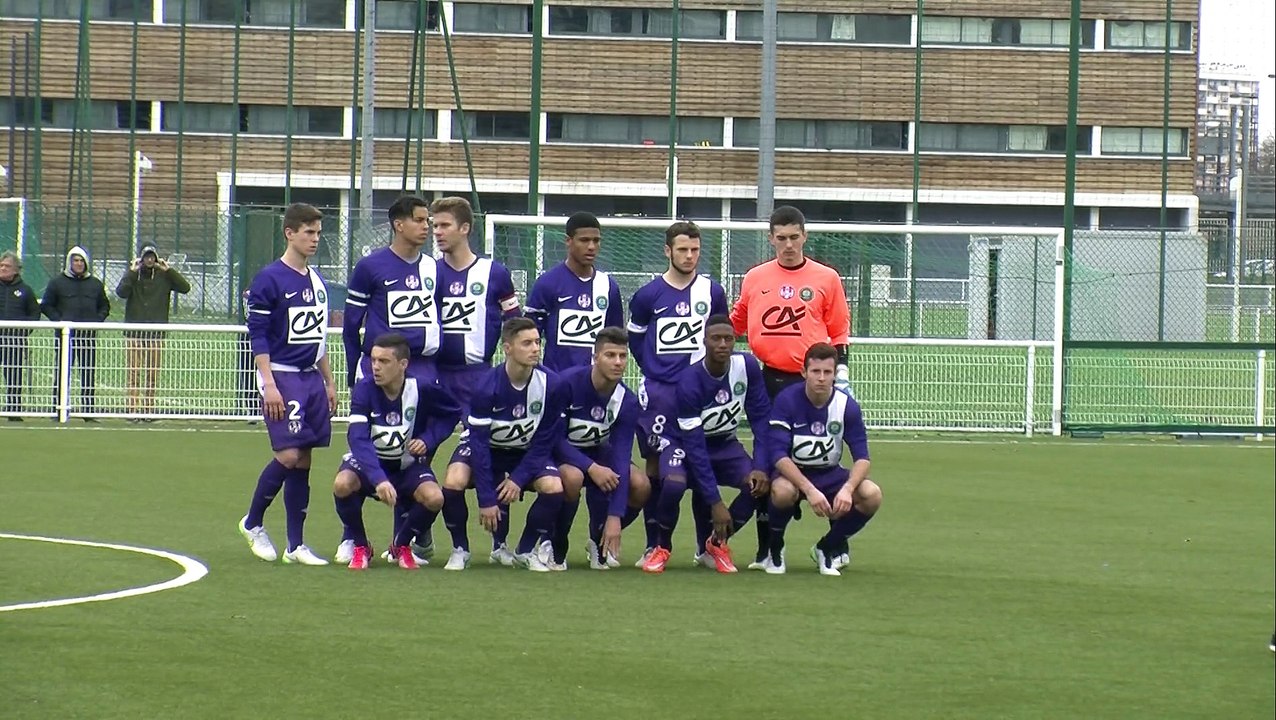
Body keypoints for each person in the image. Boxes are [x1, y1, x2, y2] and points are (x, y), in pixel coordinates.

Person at [729, 204, 853, 569]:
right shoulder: (755, 278)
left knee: (824, 455)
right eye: (780, 238)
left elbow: (839, 332)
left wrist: (840, 377)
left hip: (811, 384)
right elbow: (737, 321)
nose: (787, 244)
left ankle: (836, 544)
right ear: (771, 239)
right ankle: (767, 549)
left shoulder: (826, 278)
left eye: (794, 237)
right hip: (767, 380)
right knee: (768, 463)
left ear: (805, 236)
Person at [237, 203, 338, 566]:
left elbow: (319, 336)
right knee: (289, 454)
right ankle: (253, 522)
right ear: (289, 233)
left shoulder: (316, 281)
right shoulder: (270, 278)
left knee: (305, 458)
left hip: (310, 378)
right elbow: (258, 335)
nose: (314, 239)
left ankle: (296, 545)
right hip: (281, 375)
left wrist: (329, 381)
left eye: (318, 232)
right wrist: (269, 383)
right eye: (308, 232)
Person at [626, 220, 728, 564]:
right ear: (667, 251)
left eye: (695, 249)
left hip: (700, 393)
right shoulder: (648, 296)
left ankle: (704, 548)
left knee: (704, 463)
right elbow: (636, 339)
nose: (689, 256)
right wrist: (654, 368)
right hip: (660, 394)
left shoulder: (713, 292)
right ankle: (653, 544)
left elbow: (721, 334)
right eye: (682, 249)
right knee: (655, 467)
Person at [642, 315, 772, 575]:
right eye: (716, 339)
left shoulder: (747, 367)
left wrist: (760, 465)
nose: (723, 344)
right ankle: (662, 547)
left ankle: (716, 543)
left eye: (728, 339)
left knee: (760, 485)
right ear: (704, 342)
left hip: (724, 444)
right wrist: (716, 502)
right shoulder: (690, 381)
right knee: (674, 484)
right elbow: (695, 447)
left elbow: (761, 421)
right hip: (684, 443)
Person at [439, 317, 567, 572]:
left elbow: (544, 441)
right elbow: (479, 446)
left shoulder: (553, 384)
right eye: (527, 343)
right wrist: (487, 499)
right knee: (454, 480)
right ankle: (460, 549)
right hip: (486, 449)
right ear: (507, 348)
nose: (535, 349)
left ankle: (525, 550)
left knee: (554, 486)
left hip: (524, 451)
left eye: (537, 342)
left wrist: (518, 479)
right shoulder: (486, 386)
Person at [331, 333, 462, 570]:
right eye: (373, 360)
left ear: (403, 364)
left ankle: (400, 545)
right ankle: (361, 546)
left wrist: (428, 439)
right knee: (342, 483)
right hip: (370, 468)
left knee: (435, 498)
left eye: (384, 361)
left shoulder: (422, 387)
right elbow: (358, 438)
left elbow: (452, 413)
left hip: (407, 467)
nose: (376, 367)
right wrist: (378, 479)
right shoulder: (364, 390)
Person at [764, 342, 882, 575]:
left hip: (830, 473)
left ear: (835, 375)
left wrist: (848, 489)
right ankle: (775, 547)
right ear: (804, 372)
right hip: (793, 474)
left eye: (827, 372)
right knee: (782, 492)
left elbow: (863, 458)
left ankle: (825, 547)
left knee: (872, 494)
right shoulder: (787, 400)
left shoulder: (847, 406)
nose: (821, 378)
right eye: (815, 371)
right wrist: (808, 489)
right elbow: (777, 455)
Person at [551, 327, 650, 570]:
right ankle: (556, 543)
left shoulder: (627, 401)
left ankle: (598, 540)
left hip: (600, 456)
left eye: (622, 356)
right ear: (595, 357)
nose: (618, 362)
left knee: (641, 484)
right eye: (610, 355)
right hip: (563, 456)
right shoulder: (567, 383)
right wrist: (591, 467)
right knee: (572, 477)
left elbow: (621, 454)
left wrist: (615, 515)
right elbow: (553, 439)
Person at [431, 195, 521, 411]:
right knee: (420, 442)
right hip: (435, 373)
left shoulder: (495, 273)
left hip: (477, 375)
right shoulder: (429, 272)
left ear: (464, 228)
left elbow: (516, 324)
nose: (437, 232)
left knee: (477, 442)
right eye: (434, 226)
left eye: (444, 225)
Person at [342, 195, 441, 388]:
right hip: (383, 370)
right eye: (419, 220)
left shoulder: (433, 267)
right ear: (399, 225)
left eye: (427, 221)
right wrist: (354, 372)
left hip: (424, 370)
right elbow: (351, 326)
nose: (426, 227)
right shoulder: (369, 266)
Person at [524, 212, 623, 372]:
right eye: (584, 240)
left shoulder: (608, 287)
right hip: (557, 381)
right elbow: (527, 336)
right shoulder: (547, 283)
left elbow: (616, 339)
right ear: (568, 241)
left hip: (596, 384)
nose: (591, 246)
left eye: (596, 241)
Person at [115, 244, 191, 421]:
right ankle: (132, 410)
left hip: (156, 332)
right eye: (146, 257)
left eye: (152, 257)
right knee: (133, 372)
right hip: (134, 332)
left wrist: (169, 270)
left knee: (152, 373)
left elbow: (185, 287)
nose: (149, 260)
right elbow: (121, 292)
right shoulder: (134, 276)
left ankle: (148, 410)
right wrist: (131, 273)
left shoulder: (164, 277)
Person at [41, 245, 110, 421]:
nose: (78, 264)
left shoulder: (95, 284)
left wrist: (97, 320)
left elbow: (104, 305)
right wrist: (60, 320)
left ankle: (88, 411)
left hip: (88, 336)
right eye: (75, 260)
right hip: (66, 338)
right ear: (69, 262)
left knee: (88, 372)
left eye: (81, 261)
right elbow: (47, 305)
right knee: (63, 372)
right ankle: (59, 410)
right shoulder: (57, 283)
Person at [0, 251, 40, 421]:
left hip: (14, 341)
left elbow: (34, 314)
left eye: (7, 266)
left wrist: (22, 332)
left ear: (16, 270)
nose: (3, 268)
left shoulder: (25, 290)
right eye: (1, 265)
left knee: (14, 375)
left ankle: (14, 410)